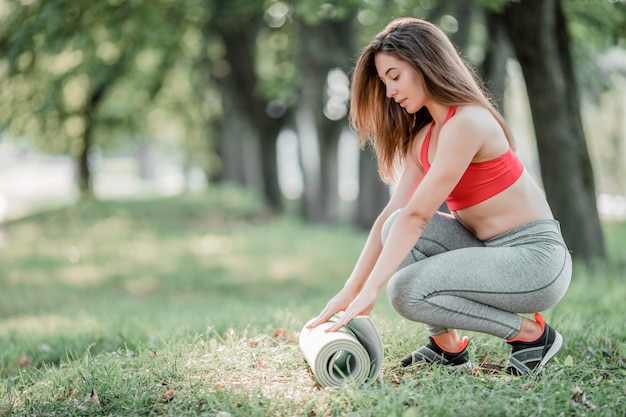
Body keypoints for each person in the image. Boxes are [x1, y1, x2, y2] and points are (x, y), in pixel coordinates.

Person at [306, 17, 572, 376]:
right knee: (392, 227)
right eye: (384, 82)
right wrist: (349, 290)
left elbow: (419, 217)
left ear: (424, 63)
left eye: (395, 77)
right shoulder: (425, 138)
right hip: (489, 252)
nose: (389, 93)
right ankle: (447, 348)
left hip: (535, 261)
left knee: (404, 291)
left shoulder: (468, 123)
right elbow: (395, 216)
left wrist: (371, 289)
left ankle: (531, 337)